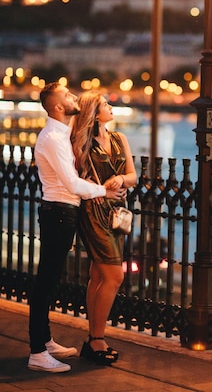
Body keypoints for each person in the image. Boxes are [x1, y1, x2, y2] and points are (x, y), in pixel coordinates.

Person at [29, 82, 125, 373]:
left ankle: (44, 342)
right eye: (68, 96)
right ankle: (37, 352)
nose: (74, 98)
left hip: (62, 213)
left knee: (50, 278)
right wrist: (104, 192)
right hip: (58, 212)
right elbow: (71, 184)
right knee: (46, 281)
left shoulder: (61, 135)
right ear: (58, 106)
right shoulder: (53, 139)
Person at [71, 91, 136, 366]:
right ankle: (97, 337)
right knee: (114, 276)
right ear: (94, 114)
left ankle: (92, 338)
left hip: (115, 214)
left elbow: (133, 176)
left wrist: (120, 178)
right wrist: (99, 188)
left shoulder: (120, 138)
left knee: (99, 276)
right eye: (105, 105)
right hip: (93, 212)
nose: (111, 107)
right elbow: (74, 177)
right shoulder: (81, 142)